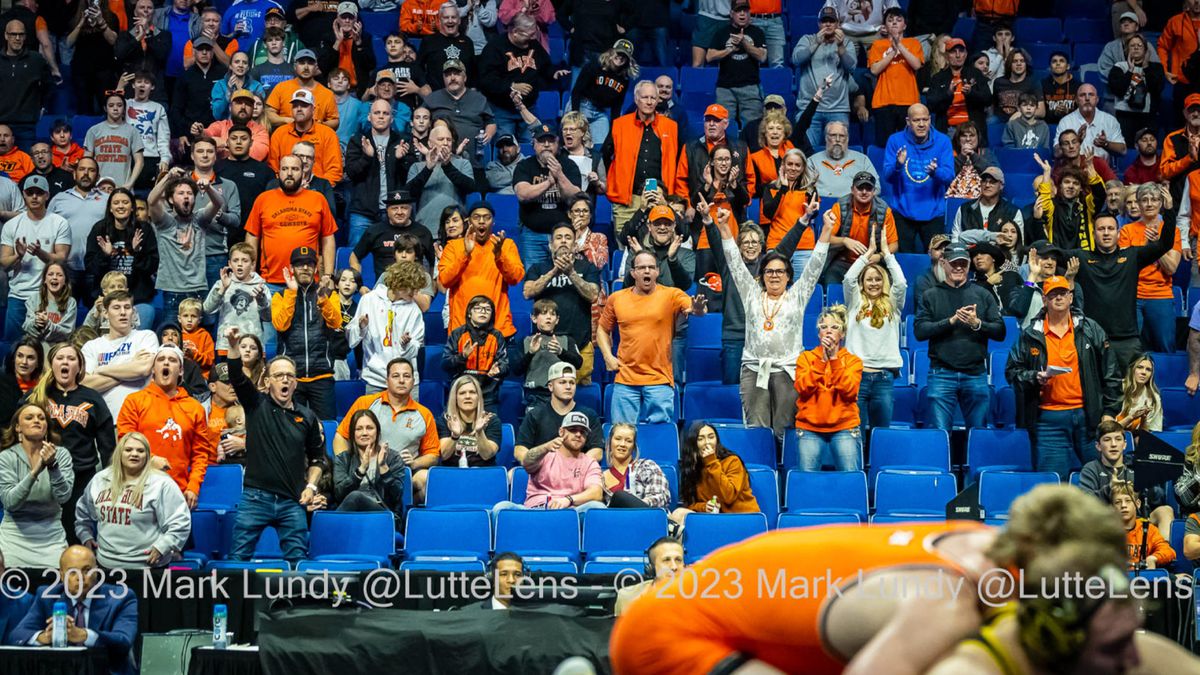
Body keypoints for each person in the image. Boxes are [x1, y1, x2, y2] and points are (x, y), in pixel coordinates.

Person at [714, 202, 826, 440]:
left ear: (788, 276)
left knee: (784, 430)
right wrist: (724, 228)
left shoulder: (798, 295)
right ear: (762, 276)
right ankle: (761, 474)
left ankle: (782, 476)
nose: (774, 275)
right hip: (754, 370)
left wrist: (825, 232)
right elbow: (734, 261)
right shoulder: (751, 294)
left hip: (787, 370)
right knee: (757, 430)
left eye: (780, 271)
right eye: (769, 271)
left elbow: (815, 267)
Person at [225, 325, 326, 564]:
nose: (285, 380)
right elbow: (237, 376)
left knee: (297, 562)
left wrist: (311, 487)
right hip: (255, 499)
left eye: (290, 376)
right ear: (267, 381)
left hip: (292, 501)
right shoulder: (255, 404)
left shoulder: (307, 417)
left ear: (295, 383)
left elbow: (318, 459)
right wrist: (232, 346)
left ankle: (294, 602)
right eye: (279, 375)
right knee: (238, 559)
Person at [1006, 275, 1121, 479]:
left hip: (1089, 418)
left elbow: (1111, 372)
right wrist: (1034, 376)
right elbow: (1012, 372)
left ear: (1070, 297)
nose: (1058, 298)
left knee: (1103, 482)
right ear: (1045, 299)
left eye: (1062, 293)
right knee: (1051, 487)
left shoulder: (1090, 329)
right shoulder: (1030, 333)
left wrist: (1110, 411)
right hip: (1049, 422)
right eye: (1053, 295)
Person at [599, 250, 707, 424]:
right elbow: (602, 329)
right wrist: (607, 356)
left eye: (651, 267)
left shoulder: (672, 295)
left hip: (660, 380)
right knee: (622, 436)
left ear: (657, 271)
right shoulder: (616, 298)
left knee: (658, 436)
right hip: (625, 379)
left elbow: (697, 310)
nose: (647, 271)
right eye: (641, 268)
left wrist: (698, 309)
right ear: (633, 273)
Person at [1069, 213, 1178, 375]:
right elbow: (1052, 253)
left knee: (1131, 392)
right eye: (1101, 229)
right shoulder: (1081, 258)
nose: (1106, 233)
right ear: (1093, 234)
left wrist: (1169, 211)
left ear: (1118, 233)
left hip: (1127, 341)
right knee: (1095, 391)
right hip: (1093, 340)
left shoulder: (1132, 256)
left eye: (1110, 228)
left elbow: (1165, 244)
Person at [915, 242, 1005, 430]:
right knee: (941, 434)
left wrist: (977, 324)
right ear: (943, 263)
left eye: (963, 263)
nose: (958, 267)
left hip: (976, 374)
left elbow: (1000, 331)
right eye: (954, 263)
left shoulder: (983, 294)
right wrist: (951, 321)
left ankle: (976, 461)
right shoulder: (930, 295)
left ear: (969, 265)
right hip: (941, 374)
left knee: (978, 434)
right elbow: (920, 331)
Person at [10, 546, 139, 675]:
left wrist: (84, 635)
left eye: (86, 570)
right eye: (72, 572)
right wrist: (45, 637)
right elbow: (16, 636)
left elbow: (124, 640)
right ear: (61, 575)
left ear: (97, 572)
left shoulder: (121, 597)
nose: (80, 577)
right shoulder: (47, 596)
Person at [116, 344, 214, 508]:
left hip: (178, 492)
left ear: (181, 371)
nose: (166, 363)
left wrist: (194, 486)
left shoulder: (195, 408)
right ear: (153, 369)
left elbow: (200, 453)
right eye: (161, 359)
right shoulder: (134, 401)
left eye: (172, 360)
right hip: (138, 489)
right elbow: (125, 441)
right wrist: (150, 460)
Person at [74, 431, 190, 569]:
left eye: (140, 451)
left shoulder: (162, 483)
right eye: (128, 450)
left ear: (147, 455)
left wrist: (163, 546)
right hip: (106, 566)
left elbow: (180, 522)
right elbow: (82, 514)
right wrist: (85, 536)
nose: (134, 454)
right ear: (119, 453)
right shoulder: (100, 479)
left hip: (148, 568)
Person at [335, 357, 438, 501]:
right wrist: (348, 464)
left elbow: (433, 454)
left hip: (401, 473)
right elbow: (341, 436)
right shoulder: (365, 403)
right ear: (386, 381)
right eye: (396, 376)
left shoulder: (424, 414)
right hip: (365, 469)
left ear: (413, 382)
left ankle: (407, 517)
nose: (401, 380)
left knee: (426, 478)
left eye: (407, 376)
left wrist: (415, 463)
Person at [844, 227, 906, 436]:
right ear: (862, 283)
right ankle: (858, 469)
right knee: (855, 433)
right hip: (857, 376)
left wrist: (887, 255)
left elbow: (901, 283)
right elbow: (847, 279)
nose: (873, 283)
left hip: (884, 378)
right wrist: (867, 254)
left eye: (878, 279)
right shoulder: (854, 302)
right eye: (869, 279)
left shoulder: (893, 304)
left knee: (882, 434)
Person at [600, 80, 680, 238]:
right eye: (645, 97)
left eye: (653, 98)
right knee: (624, 246)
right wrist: (616, 180)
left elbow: (676, 161)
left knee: (656, 246)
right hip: (626, 199)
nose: (649, 102)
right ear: (636, 99)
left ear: (658, 100)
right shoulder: (619, 125)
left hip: (657, 197)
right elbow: (605, 155)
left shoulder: (671, 126)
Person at [244, 155, 339, 289]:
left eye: (294, 169)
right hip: (270, 281)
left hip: (308, 281)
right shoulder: (263, 199)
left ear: (303, 173)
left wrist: (328, 275)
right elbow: (252, 236)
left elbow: (328, 237)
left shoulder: (318, 199)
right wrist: (250, 273)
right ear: (278, 173)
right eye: (285, 169)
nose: (289, 173)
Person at [270, 246, 342, 419]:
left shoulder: (329, 294)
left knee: (325, 428)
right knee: (292, 430)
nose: (305, 268)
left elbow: (336, 323)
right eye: (300, 264)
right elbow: (280, 325)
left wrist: (323, 298)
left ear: (316, 268)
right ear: (292, 268)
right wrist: (292, 293)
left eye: (309, 264)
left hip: (322, 375)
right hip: (292, 377)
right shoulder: (281, 296)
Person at [0, 402, 73, 568]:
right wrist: (35, 472)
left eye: (41, 418)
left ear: (46, 427)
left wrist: (53, 467)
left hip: (51, 533)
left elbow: (63, 497)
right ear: (18, 427)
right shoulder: (6, 457)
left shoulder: (60, 455)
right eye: (29, 417)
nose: (37, 420)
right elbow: (10, 502)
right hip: (15, 535)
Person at [147, 168, 225, 323]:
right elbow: (151, 200)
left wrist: (208, 187)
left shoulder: (199, 219)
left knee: (202, 336)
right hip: (173, 290)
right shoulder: (165, 221)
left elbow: (219, 203)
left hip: (198, 288)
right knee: (173, 335)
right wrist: (168, 177)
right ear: (171, 199)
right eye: (181, 193)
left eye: (189, 193)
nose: (186, 197)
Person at [438, 200, 525, 338]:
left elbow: (515, 278)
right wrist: (465, 254)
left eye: (487, 217)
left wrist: (499, 256)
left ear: (493, 222)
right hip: (462, 329)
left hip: (498, 328)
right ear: (469, 222)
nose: (482, 221)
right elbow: (445, 280)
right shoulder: (453, 247)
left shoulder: (506, 245)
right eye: (476, 217)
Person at [2, 176, 72, 341]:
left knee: (48, 346)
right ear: (24, 195)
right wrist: (18, 255)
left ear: (47, 195)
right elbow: (4, 263)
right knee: (12, 347)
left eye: (39, 193)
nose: (34, 197)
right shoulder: (12, 225)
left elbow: (62, 259)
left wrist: (41, 253)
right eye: (30, 193)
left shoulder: (59, 222)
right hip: (19, 294)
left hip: (49, 295)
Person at [494, 410, 605, 513]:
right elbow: (527, 462)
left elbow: (596, 493)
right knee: (501, 507)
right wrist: (545, 447)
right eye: (573, 429)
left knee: (598, 507)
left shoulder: (590, 463)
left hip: (570, 512)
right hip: (535, 509)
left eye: (583, 432)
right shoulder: (544, 454)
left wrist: (568, 500)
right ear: (561, 431)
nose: (578, 434)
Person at [883, 103, 954, 253]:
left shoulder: (943, 141)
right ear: (908, 121)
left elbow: (949, 177)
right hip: (902, 212)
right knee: (902, 261)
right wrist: (897, 166)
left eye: (925, 120)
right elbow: (888, 177)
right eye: (916, 120)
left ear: (930, 120)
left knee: (936, 261)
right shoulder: (895, 141)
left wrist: (936, 173)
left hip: (933, 213)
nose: (921, 124)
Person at [1118, 184, 1180, 353]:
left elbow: (1171, 268)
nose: (1149, 204)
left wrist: (1156, 246)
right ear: (1138, 203)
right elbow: (1124, 266)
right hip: (1133, 296)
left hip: (1160, 296)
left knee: (1166, 347)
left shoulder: (1171, 231)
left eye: (1154, 199)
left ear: (1161, 203)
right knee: (1130, 348)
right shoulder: (1126, 231)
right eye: (1144, 200)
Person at [347, 261, 425, 394]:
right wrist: (361, 328)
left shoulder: (414, 310)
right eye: (412, 288)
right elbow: (351, 341)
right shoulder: (369, 300)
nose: (415, 292)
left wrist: (407, 344)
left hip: (405, 381)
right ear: (399, 283)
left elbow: (416, 347)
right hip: (375, 380)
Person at [476, 15, 555, 143]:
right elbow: (486, 80)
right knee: (506, 149)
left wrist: (554, 73)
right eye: (528, 35)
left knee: (533, 146)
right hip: (502, 110)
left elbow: (546, 66)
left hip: (529, 108)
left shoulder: (534, 45)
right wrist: (511, 86)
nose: (532, 38)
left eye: (533, 34)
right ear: (514, 32)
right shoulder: (495, 47)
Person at [80, 291, 159, 415]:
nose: (123, 312)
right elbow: (85, 385)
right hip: (105, 421)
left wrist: (101, 369)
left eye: (127, 307)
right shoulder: (92, 346)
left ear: (132, 312)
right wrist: (131, 366)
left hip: (140, 418)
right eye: (116, 308)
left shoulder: (146, 336)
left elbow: (143, 369)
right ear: (105, 313)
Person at [670, 422, 758, 528]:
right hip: (713, 520)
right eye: (700, 439)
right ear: (693, 444)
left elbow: (728, 496)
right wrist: (705, 507)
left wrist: (711, 462)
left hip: (741, 518)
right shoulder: (692, 468)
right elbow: (690, 504)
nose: (707, 443)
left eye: (711, 437)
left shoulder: (733, 461)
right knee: (677, 514)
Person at [791, 9, 857, 151]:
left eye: (832, 21)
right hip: (809, 108)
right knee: (806, 152)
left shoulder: (846, 43)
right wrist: (816, 43)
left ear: (838, 24)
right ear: (818, 23)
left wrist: (840, 47)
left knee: (838, 152)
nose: (828, 24)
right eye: (824, 21)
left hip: (838, 109)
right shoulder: (808, 39)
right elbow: (796, 59)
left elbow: (851, 67)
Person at [514, 362, 604, 463]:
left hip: (578, 474)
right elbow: (519, 450)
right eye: (562, 382)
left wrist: (576, 466)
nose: (568, 387)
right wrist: (541, 465)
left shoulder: (589, 415)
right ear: (550, 386)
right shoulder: (535, 415)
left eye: (572, 382)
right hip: (543, 473)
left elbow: (597, 451)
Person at [332, 408, 405, 518]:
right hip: (350, 514)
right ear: (353, 433)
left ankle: (330, 528)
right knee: (355, 497)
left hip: (384, 514)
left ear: (377, 431)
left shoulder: (392, 458)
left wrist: (383, 467)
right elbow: (339, 494)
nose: (364, 433)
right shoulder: (343, 459)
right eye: (359, 429)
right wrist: (360, 470)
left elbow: (397, 496)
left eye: (369, 428)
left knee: (356, 497)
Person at [867, 8, 924, 147]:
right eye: (890, 20)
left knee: (910, 144)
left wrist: (900, 45)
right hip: (883, 102)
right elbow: (874, 69)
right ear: (885, 26)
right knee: (885, 146)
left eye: (898, 20)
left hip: (908, 102)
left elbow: (916, 65)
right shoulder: (878, 45)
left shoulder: (913, 43)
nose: (894, 23)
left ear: (904, 25)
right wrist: (893, 51)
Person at [405, 121, 476, 230]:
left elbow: (470, 187)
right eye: (440, 139)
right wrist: (428, 169)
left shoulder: (463, 163)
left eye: (448, 139)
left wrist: (447, 166)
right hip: (425, 228)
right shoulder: (417, 167)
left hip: (455, 230)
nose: (445, 143)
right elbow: (409, 193)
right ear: (430, 143)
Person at [203, 242, 270, 356]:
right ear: (229, 263)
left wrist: (261, 299)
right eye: (235, 260)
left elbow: (268, 317)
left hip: (253, 346)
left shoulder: (261, 286)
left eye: (245, 260)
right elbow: (207, 309)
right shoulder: (222, 283)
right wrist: (222, 290)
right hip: (226, 345)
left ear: (253, 264)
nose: (240, 264)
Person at [1032, 152, 1107, 251]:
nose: (1071, 186)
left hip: (1084, 260)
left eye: (1075, 183)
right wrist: (1046, 172)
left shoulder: (1087, 205)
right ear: (1060, 186)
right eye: (1066, 182)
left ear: (1081, 188)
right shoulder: (1053, 205)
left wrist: (1092, 171)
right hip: (1058, 260)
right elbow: (1044, 205)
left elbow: (1100, 194)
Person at [569, 39, 637, 147]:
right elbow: (576, 92)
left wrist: (613, 132)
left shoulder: (624, 79)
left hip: (601, 112)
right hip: (582, 105)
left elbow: (617, 107)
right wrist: (576, 116)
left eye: (624, 56)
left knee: (600, 148)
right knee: (575, 144)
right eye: (618, 53)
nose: (620, 57)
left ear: (628, 60)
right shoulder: (594, 65)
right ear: (611, 52)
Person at [267, 89, 344, 183]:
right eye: (295, 106)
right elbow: (273, 169)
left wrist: (318, 188)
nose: (299, 109)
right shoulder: (279, 134)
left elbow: (335, 171)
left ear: (313, 109)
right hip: (286, 189)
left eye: (304, 105)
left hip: (318, 190)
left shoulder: (327, 134)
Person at [926, 37, 991, 142]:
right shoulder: (938, 78)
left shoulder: (975, 74)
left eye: (961, 51)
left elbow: (988, 99)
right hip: (949, 130)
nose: (958, 55)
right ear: (947, 55)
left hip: (972, 130)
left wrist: (971, 93)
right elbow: (931, 105)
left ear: (965, 54)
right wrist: (948, 93)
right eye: (953, 52)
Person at [1109, 33, 1166, 146]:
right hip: (1125, 116)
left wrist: (1146, 68)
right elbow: (1118, 90)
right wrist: (1130, 71)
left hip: (1148, 116)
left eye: (1140, 45)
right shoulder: (1119, 67)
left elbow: (1157, 89)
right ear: (1126, 50)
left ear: (1146, 50)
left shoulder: (1156, 67)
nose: (1136, 47)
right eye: (1132, 45)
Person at [84, 92, 145, 190]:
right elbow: (86, 161)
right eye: (111, 105)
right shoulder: (93, 131)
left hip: (123, 188)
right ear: (105, 108)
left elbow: (139, 161)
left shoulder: (132, 131)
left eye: (119, 105)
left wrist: (130, 184)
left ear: (124, 109)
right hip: (97, 188)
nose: (115, 108)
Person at [602, 423, 670, 509]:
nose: (622, 444)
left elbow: (660, 497)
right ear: (610, 442)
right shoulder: (601, 478)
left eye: (628, 441)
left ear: (634, 446)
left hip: (647, 516)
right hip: (617, 520)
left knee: (620, 496)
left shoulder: (647, 466)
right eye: (618, 439)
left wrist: (633, 505)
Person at [437, 374, 500, 467]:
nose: (467, 396)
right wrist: (455, 436)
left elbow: (487, 455)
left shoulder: (491, 420)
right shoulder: (445, 420)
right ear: (455, 398)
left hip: (482, 473)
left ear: (478, 397)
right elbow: (444, 455)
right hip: (452, 473)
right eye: (462, 393)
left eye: (472, 392)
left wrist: (479, 432)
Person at [1111, 480, 1175, 570]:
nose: (1123, 505)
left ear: (1137, 504)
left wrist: (1153, 558)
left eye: (1128, 500)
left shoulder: (1148, 529)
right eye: (1118, 502)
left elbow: (1169, 552)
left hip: (1144, 578)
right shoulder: (1107, 531)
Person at [1054, 84, 1127, 161]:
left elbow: (1123, 151)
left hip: (1101, 170)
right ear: (1076, 100)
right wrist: (1077, 140)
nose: (1087, 98)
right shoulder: (1066, 122)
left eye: (1091, 95)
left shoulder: (1110, 120)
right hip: (1075, 170)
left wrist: (1106, 144)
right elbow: (1056, 153)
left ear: (1097, 99)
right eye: (1082, 95)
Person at [807, 122, 878, 198]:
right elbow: (805, 188)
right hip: (821, 205)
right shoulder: (813, 161)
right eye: (833, 135)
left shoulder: (862, 160)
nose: (837, 140)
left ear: (847, 139)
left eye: (842, 136)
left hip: (853, 205)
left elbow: (876, 187)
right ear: (826, 138)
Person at [22, 261, 75, 350]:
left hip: (58, 349)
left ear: (65, 281)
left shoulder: (70, 302)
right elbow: (27, 327)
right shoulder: (33, 299)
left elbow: (67, 332)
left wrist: (48, 325)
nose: (54, 277)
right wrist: (36, 323)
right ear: (45, 280)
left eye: (59, 275)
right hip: (36, 347)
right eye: (50, 274)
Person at [1157, 0, 1200, 91]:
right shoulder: (1175, 22)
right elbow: (1162, 47)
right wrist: (1164, 70)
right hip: (1182, 81)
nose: (1197, 1)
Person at [1116, 353, 1163, 431]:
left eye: (1148, 369)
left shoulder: (1154, 398)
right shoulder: (1117, 389)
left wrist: (1143, 419)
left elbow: (1150, 433)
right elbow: (1107, 430)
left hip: (1137, 438)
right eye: (1140, 367)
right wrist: (1131, 417)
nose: (1144, 372)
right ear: (1132, 369)